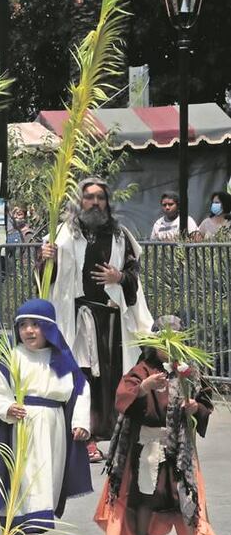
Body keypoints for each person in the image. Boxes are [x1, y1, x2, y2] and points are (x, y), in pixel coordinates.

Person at [39, 177, 153, 462]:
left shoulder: (120, 235)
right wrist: (45, 260)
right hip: (77, 320)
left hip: (111, 320)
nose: (95, 203)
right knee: (82, 377)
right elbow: (47, 281)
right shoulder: (63, 234)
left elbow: (133, 276)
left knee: (113, 378)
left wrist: (119, 277)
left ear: (107, 202)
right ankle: (85, 437)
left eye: (100, 197)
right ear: (80, 201)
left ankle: (116, 436)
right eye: (89, 197)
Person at [94, 317, 218, 535]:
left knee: (185, 496)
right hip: (147, 445)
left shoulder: (188, 370)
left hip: (179, 447)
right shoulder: (142, 370)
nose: (169, 347)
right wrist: (143, 388)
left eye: (175, 341)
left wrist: (196, 408)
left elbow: (205, 401)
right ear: (153, 343)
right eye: (163, 341)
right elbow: (122, 397)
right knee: (144, 498)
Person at [0, 299, 92, 535]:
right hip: (22, 429)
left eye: (35, 325)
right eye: (23, 325)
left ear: (49, 328)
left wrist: (80, 422)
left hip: (53, 430)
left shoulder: (62, 360)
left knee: (46, 484)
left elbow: (81, 391)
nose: (29, 331)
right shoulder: (13, 357)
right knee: (30, 486)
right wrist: (8, 407)